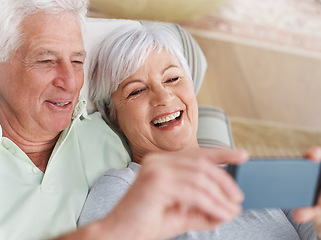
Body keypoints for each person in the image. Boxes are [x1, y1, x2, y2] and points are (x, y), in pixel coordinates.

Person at [0, 1, 250, 240]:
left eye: (77, 62)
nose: (71, 82)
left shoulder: (102, 138)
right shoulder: (120, 186)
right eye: (46, 61)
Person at [78, 23, 321, 239]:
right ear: (113, 116)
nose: (164, 97)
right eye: (136, 91)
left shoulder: (254, 173)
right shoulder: (122, 187)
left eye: (172, 78)